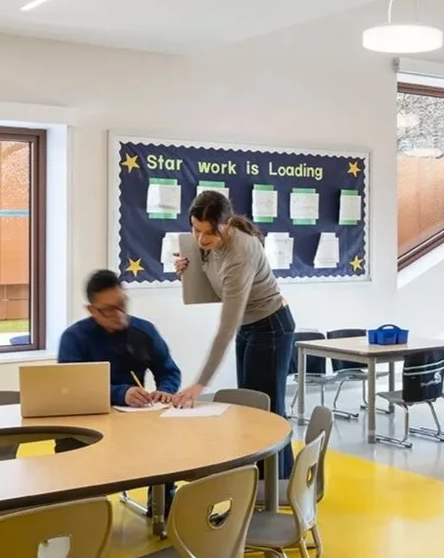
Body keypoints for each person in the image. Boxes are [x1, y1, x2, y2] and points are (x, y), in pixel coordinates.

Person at [172, 189, 296, 476]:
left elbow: (226, 326)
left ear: (226, 224)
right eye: (195, 229)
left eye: (208, 233)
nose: (201, 239)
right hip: (249, 326)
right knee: (253, 409)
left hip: (271, 326)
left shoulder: (241, 253)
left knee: (267, 412)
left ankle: (276, 484)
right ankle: (273, 479)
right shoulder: (205, 242)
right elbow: (212, 291)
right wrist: (187, 274)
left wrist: (200, 383)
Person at [58, 269, 182, 406]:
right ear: (92, 310)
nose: (119, 314)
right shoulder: (74, 338)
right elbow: (72, 386)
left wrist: (165, 391)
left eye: (122, 304)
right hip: (89, 410)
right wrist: (121, 394)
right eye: (109, 309)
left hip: (136, 412)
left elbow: (169, 372)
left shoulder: (144, 331)